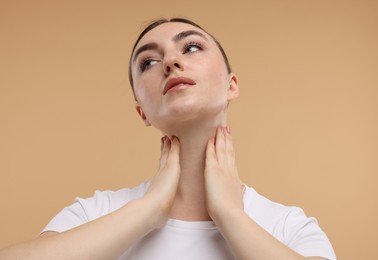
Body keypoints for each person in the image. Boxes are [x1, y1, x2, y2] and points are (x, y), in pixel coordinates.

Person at [0, 18, 336, 260]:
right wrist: (150, 209)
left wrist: (230, 214)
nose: (172, 62)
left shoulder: (288, 226)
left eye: (190, 47)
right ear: (142, 112)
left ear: (231, 84)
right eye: (149, 61)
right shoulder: (94, 213)